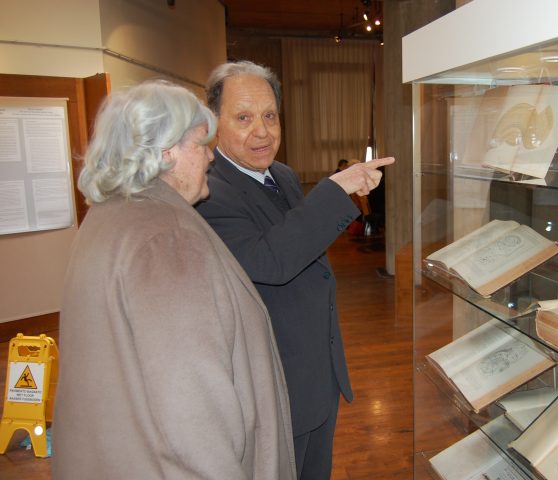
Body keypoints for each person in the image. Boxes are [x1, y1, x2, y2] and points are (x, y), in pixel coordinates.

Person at [52, 80, 295, 480]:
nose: (211, 157)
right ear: (166, 153)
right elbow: (192, 415)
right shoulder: (166, 238)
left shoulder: (108, 218)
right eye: (201, 144)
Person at [195, 61, 394, 479]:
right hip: (274, 389)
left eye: (270, 115)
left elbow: (303, 247)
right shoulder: (209, 190)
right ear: (214, 122)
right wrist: (334, 191)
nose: (262, 131)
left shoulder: (281, 176)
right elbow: (272, 261)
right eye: (244, 118)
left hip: (315, 376)